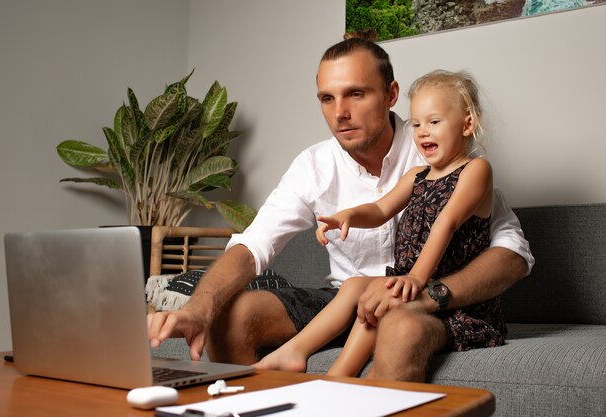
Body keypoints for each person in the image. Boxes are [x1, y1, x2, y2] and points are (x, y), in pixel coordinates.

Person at [147, 30, 534, 382]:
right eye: (327, 98)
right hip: (343, 299)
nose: (339, 113)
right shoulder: (314, 166)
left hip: (422, 297)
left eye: (356, 94)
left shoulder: (442, 160)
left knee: (402, 326)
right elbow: (254, 243)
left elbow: (513, 255)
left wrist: (426, 293)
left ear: (391, 94)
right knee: (232, 316)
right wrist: (199, 307)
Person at [255, 70, 499, 377]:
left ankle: (338, 376)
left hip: (450, 298)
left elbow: (445, 223)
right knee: (358, 286)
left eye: (434, 122)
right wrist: (349, 216)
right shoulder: (416, 176)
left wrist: (414, 278)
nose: (423, 132)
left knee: (384, 298)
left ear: (467, 124)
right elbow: (380, 209)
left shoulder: (476, 170)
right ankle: (298, 353)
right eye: (418, 124)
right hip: (411, 280)